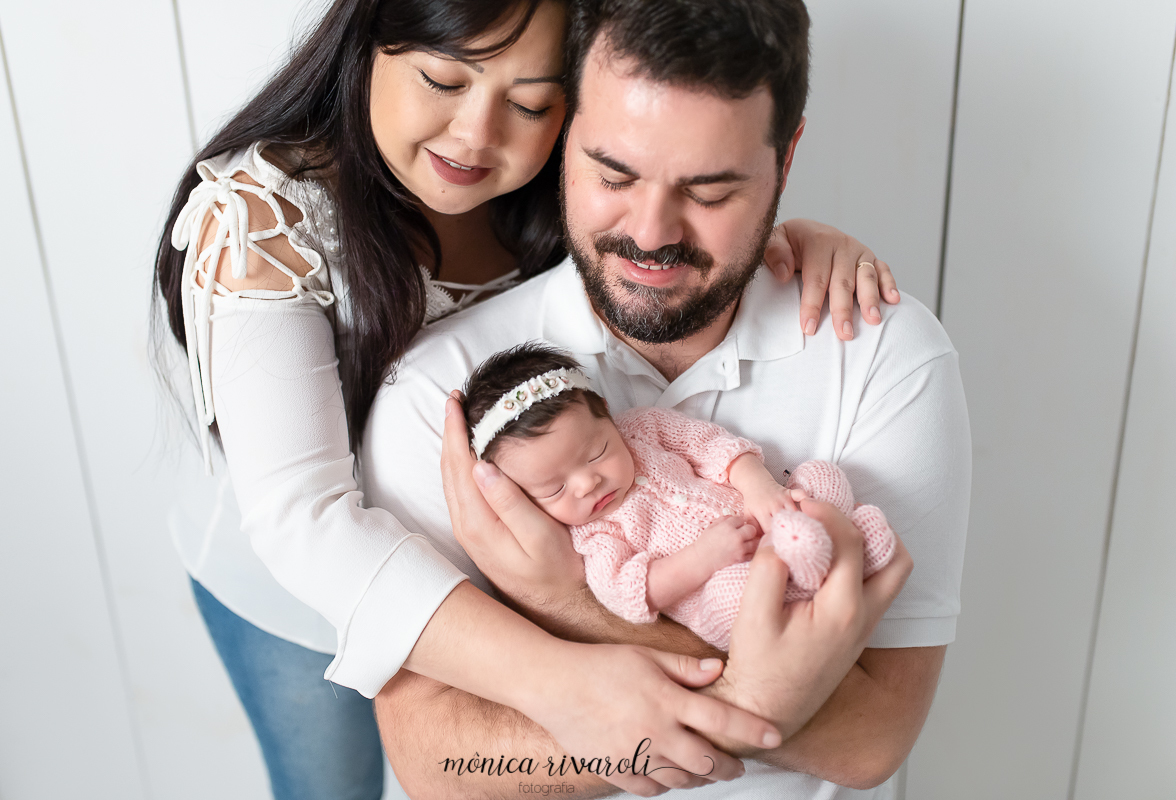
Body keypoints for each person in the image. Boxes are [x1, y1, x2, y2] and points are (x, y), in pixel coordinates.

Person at [151, 0, 899, 796]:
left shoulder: (552, 184)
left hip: (474, 545)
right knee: (327, 783)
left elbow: (655, 224)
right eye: (443, 81)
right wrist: (558, 680)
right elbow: (303, 521)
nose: (477, 134)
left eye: (533, 104)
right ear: (367, 41)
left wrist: (780, 243)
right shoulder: (267, 219)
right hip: (298, 579)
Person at [360, 0, 970, 797]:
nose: (650, 234)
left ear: (786, 159)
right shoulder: (442, 394)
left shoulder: (885, 353)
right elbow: (432, 760)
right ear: (566, 134)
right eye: (614, 174)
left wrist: (564, 602)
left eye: (709, 192)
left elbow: (874, 738)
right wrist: (757, 706)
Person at [459, 342, 896, 651]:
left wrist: (758, 486)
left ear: (606, 414)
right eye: (554, 489)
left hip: (769, 516)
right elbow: (631, 592)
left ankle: (830, 547)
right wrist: (704, 558)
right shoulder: (592, 537)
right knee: (735, 596)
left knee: (820, 475)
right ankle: (820, 574)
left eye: (597, 453)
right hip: (719, 585)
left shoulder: (643, 428)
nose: (587, 484)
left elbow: (713, 446)